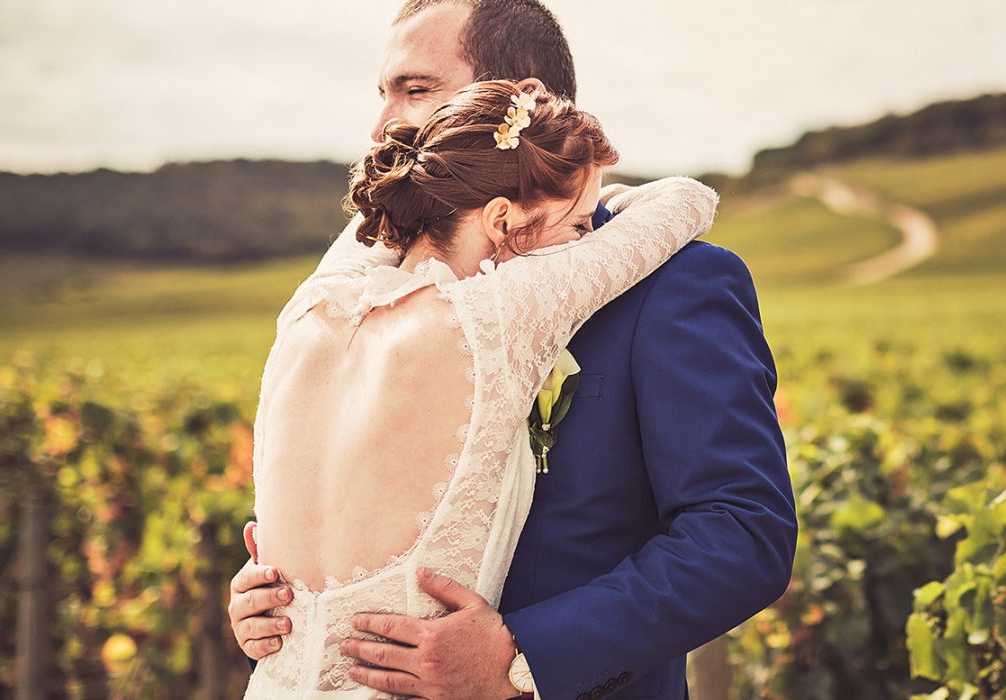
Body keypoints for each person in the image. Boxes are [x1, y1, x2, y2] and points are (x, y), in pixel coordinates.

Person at [229, 2, 797, 698]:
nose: (382, 126)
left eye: (416, 89)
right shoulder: (362, 292)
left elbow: (742, 535)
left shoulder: (675, 282)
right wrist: (276, 597)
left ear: (518, 97)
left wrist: (526, 657)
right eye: (382, 93)